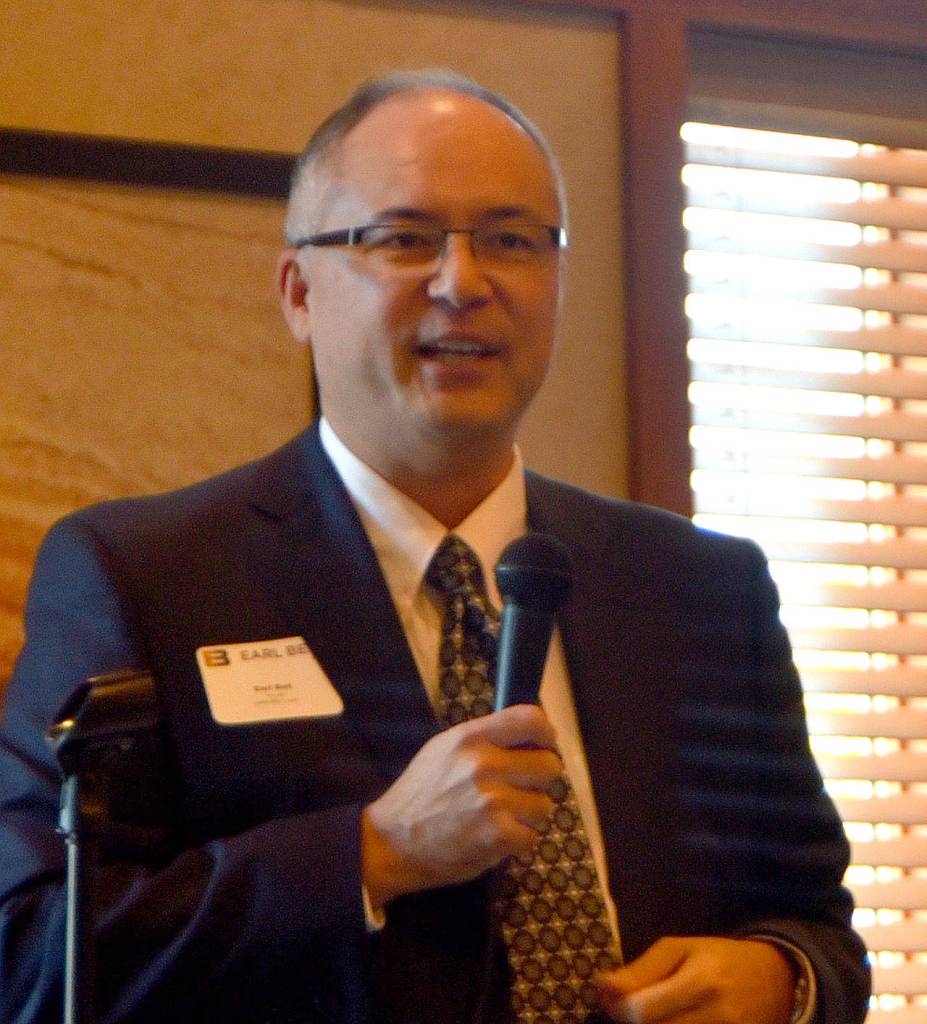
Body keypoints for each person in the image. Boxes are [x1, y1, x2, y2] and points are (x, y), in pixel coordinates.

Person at [0, 70, 869, 1024]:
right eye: (403, 239)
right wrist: (371, 854)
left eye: (511, 240)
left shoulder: (701, 589)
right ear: (297, 292)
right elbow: (31, 960)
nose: (463, 283)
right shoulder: (147, 577)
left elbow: (817, 928)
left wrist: (781, 981)